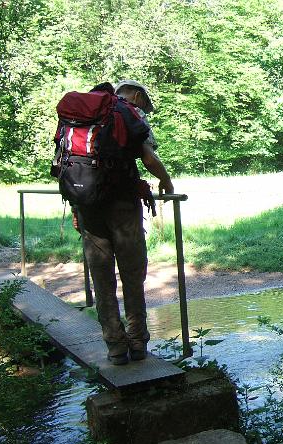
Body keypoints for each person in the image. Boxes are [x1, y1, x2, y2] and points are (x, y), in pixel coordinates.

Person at [75, 80, 173, 366]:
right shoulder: (127, 112)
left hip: (88, 205)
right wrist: (165, 181)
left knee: (101, 277)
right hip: (122, 205)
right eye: (146, 104)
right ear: (139, 96)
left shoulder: (82, 115)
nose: (145, 108)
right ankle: (138, 342)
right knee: (132, 274)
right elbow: (148, 158)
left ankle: (115, 348)